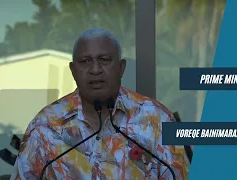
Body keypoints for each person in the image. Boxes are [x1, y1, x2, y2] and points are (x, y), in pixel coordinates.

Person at [10, 28, 190, 179]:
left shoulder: (156, 119)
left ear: (121, 68)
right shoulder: (45, 125)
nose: (95, 70)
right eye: (85, 62)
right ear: (73, 71)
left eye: (104, 60)